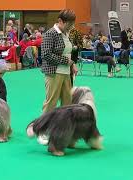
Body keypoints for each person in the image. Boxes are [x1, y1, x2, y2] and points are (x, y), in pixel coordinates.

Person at [39, 9, 78, 144]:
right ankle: (42, 130)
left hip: (66, 74)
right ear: (60, 21)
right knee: (51, 103)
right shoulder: (50, 34)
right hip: (53, 73)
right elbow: (46, 55)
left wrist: (72, 64)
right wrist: (66, 61)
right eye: (69, 24)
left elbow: (68, 53)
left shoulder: (66, 34)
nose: (71, 27)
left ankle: (62, 131)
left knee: (67, 104)